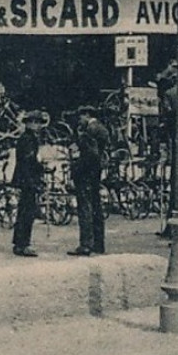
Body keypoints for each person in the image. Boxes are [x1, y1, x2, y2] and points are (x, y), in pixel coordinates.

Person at [69, 104, 110, 257]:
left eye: (80, 117)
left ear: (86, 115)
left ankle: (86, 244)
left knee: (85, 208)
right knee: (96, 208)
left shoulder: (89, 131)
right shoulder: (102, 128)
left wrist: (76, 167)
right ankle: (99, 244)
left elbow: (90, 155)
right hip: (95, 174)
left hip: (85, 174)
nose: (79, 121)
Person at [10, 110, 46, 257]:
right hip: (28, 180)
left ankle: (20, 243)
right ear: (29, 123)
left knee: (25, 211)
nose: (37, 125)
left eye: (38, 123)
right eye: (35, 122)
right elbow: (28, 160)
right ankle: (23, 244)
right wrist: (39, 166)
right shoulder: (28, 139)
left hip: (26, 179)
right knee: (27, 213)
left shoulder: (28, 138)